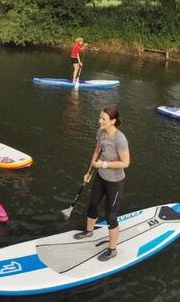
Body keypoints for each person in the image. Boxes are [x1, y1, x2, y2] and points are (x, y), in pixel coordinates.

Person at [73, 106, 130, 262]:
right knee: (92, 205)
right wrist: (89, 171)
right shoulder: (100, 132)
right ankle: (89, 231)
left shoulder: (120, 139)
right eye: (100, 117)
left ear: (113, 121)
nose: (100, 121)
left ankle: (112, 249)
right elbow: (97, 152)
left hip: (115, 182)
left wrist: (104, 165)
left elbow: (126, 163)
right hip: (100, 177)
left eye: (103, 119)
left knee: (111, 216)